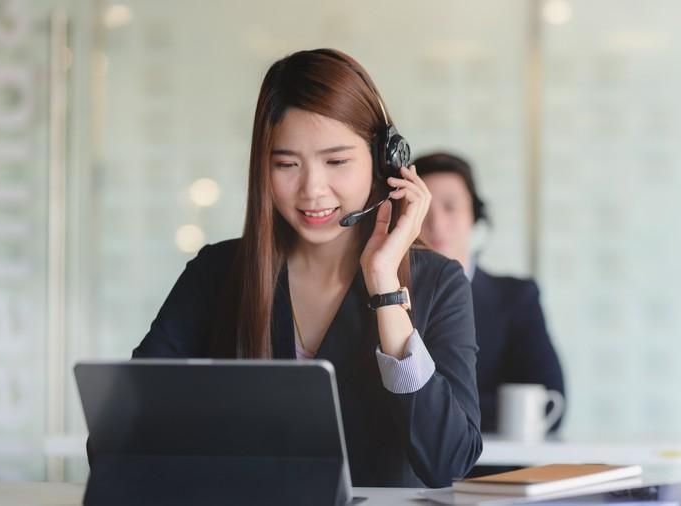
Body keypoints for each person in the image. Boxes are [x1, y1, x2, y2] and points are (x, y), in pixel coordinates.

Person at [132, 49, 482, 488]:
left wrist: (385, 288)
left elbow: (448, 460)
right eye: (286, 164)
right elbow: (128, 426)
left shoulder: (438, 282)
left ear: (384, 160)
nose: (312, 190)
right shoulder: (218, 273)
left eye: (336, 161)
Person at [414, 152, 565, 434]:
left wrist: (433, 410)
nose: (437, 224)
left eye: (450, 207)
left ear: (475, 215)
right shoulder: (387, 297)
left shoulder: (516, 297)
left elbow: (550, 400)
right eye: (422, 210)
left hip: (495, 470)